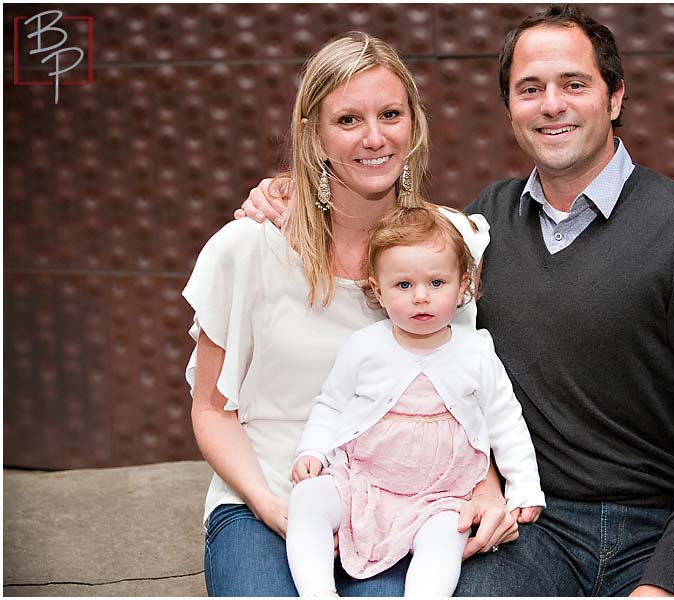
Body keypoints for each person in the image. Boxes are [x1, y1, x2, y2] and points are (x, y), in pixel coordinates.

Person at [239, 5, 674, 597]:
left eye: (574, 84)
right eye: (529, 88)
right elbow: (405, 251)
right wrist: (288, 190)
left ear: (615, 97)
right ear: (510, 107)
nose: (551, 105)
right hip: (531, 524)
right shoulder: (484, 224)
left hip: (659, 526)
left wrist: (668, 581)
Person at [185, 32, 521, 597]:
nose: (374, 137)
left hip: (403, 506)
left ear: (413, 125)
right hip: (266, 496)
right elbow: (213, 410)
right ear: (312, 134)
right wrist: (272, 507)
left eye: (391, 114)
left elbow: (465, 395)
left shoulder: (450, 246)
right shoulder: (246, 248)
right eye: (347, 119)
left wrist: (488, 488)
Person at [285, 206, 545, 596]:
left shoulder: (475, 352)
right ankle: (317, 593)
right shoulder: (364, 347)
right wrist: (313, 450)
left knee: (448, 537)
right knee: (306, 499)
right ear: (378, 290)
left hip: (441, 496)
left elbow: (506, 422)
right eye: (403, 285)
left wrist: (524, 486)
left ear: (463, 286)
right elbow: (331, 405)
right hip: (363, 481)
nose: (421, 297)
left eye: (437, 282)